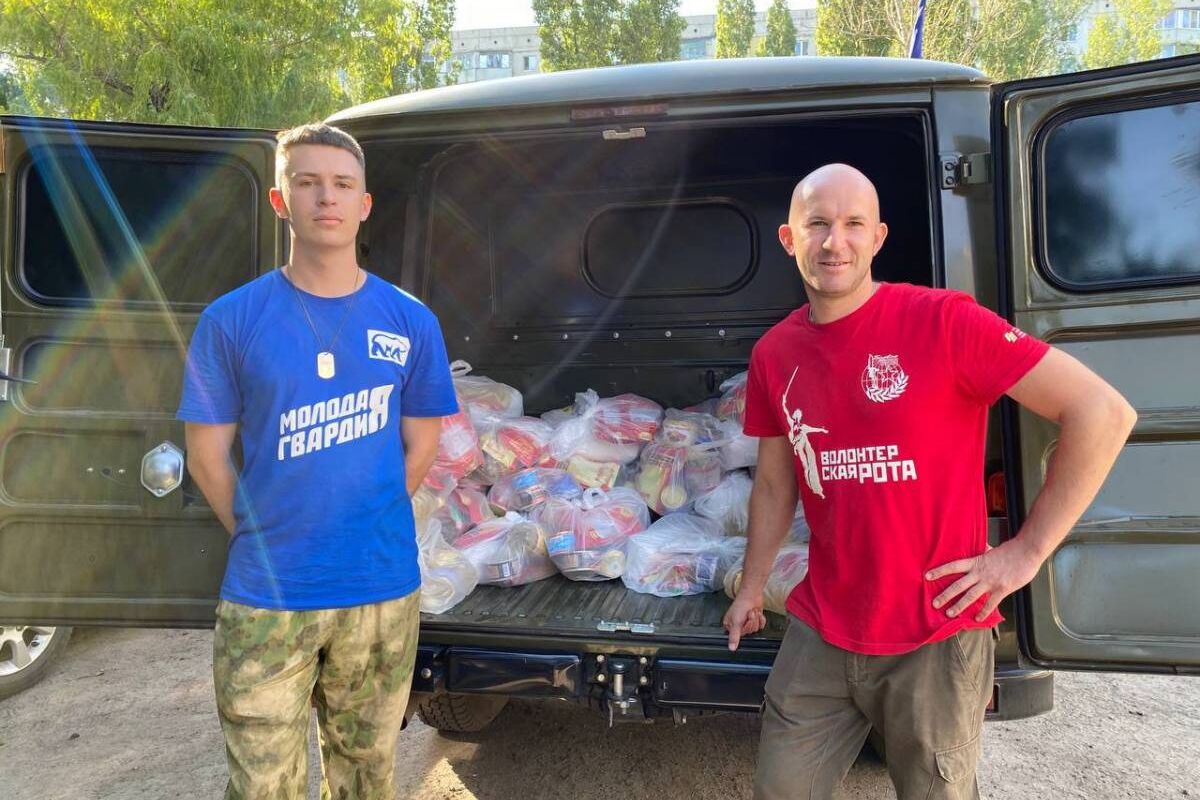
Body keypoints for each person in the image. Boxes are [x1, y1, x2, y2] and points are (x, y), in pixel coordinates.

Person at [723, 163, 1136, 800]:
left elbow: (1103, 413)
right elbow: (776, 485)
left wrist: (1023, 555)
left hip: (934, 632)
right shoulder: (774, 354)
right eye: (818, 225)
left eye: (853, 223)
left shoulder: (944, 322)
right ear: (789, 239)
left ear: (879, 236)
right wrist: (752, 587)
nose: (836, 242)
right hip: (823, 628)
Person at [178, 123, 457, 800]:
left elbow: (422, 446)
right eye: (307, 183)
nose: (324, 198)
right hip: (267, 598)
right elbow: (207, 455)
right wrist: (258, 533)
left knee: (367, 776)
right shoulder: (231, 320)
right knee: (261, 785)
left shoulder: (410, 320)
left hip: (381, 591)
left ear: (364, 204)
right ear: (281, 199)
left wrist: (367, 517)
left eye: (341, 185)